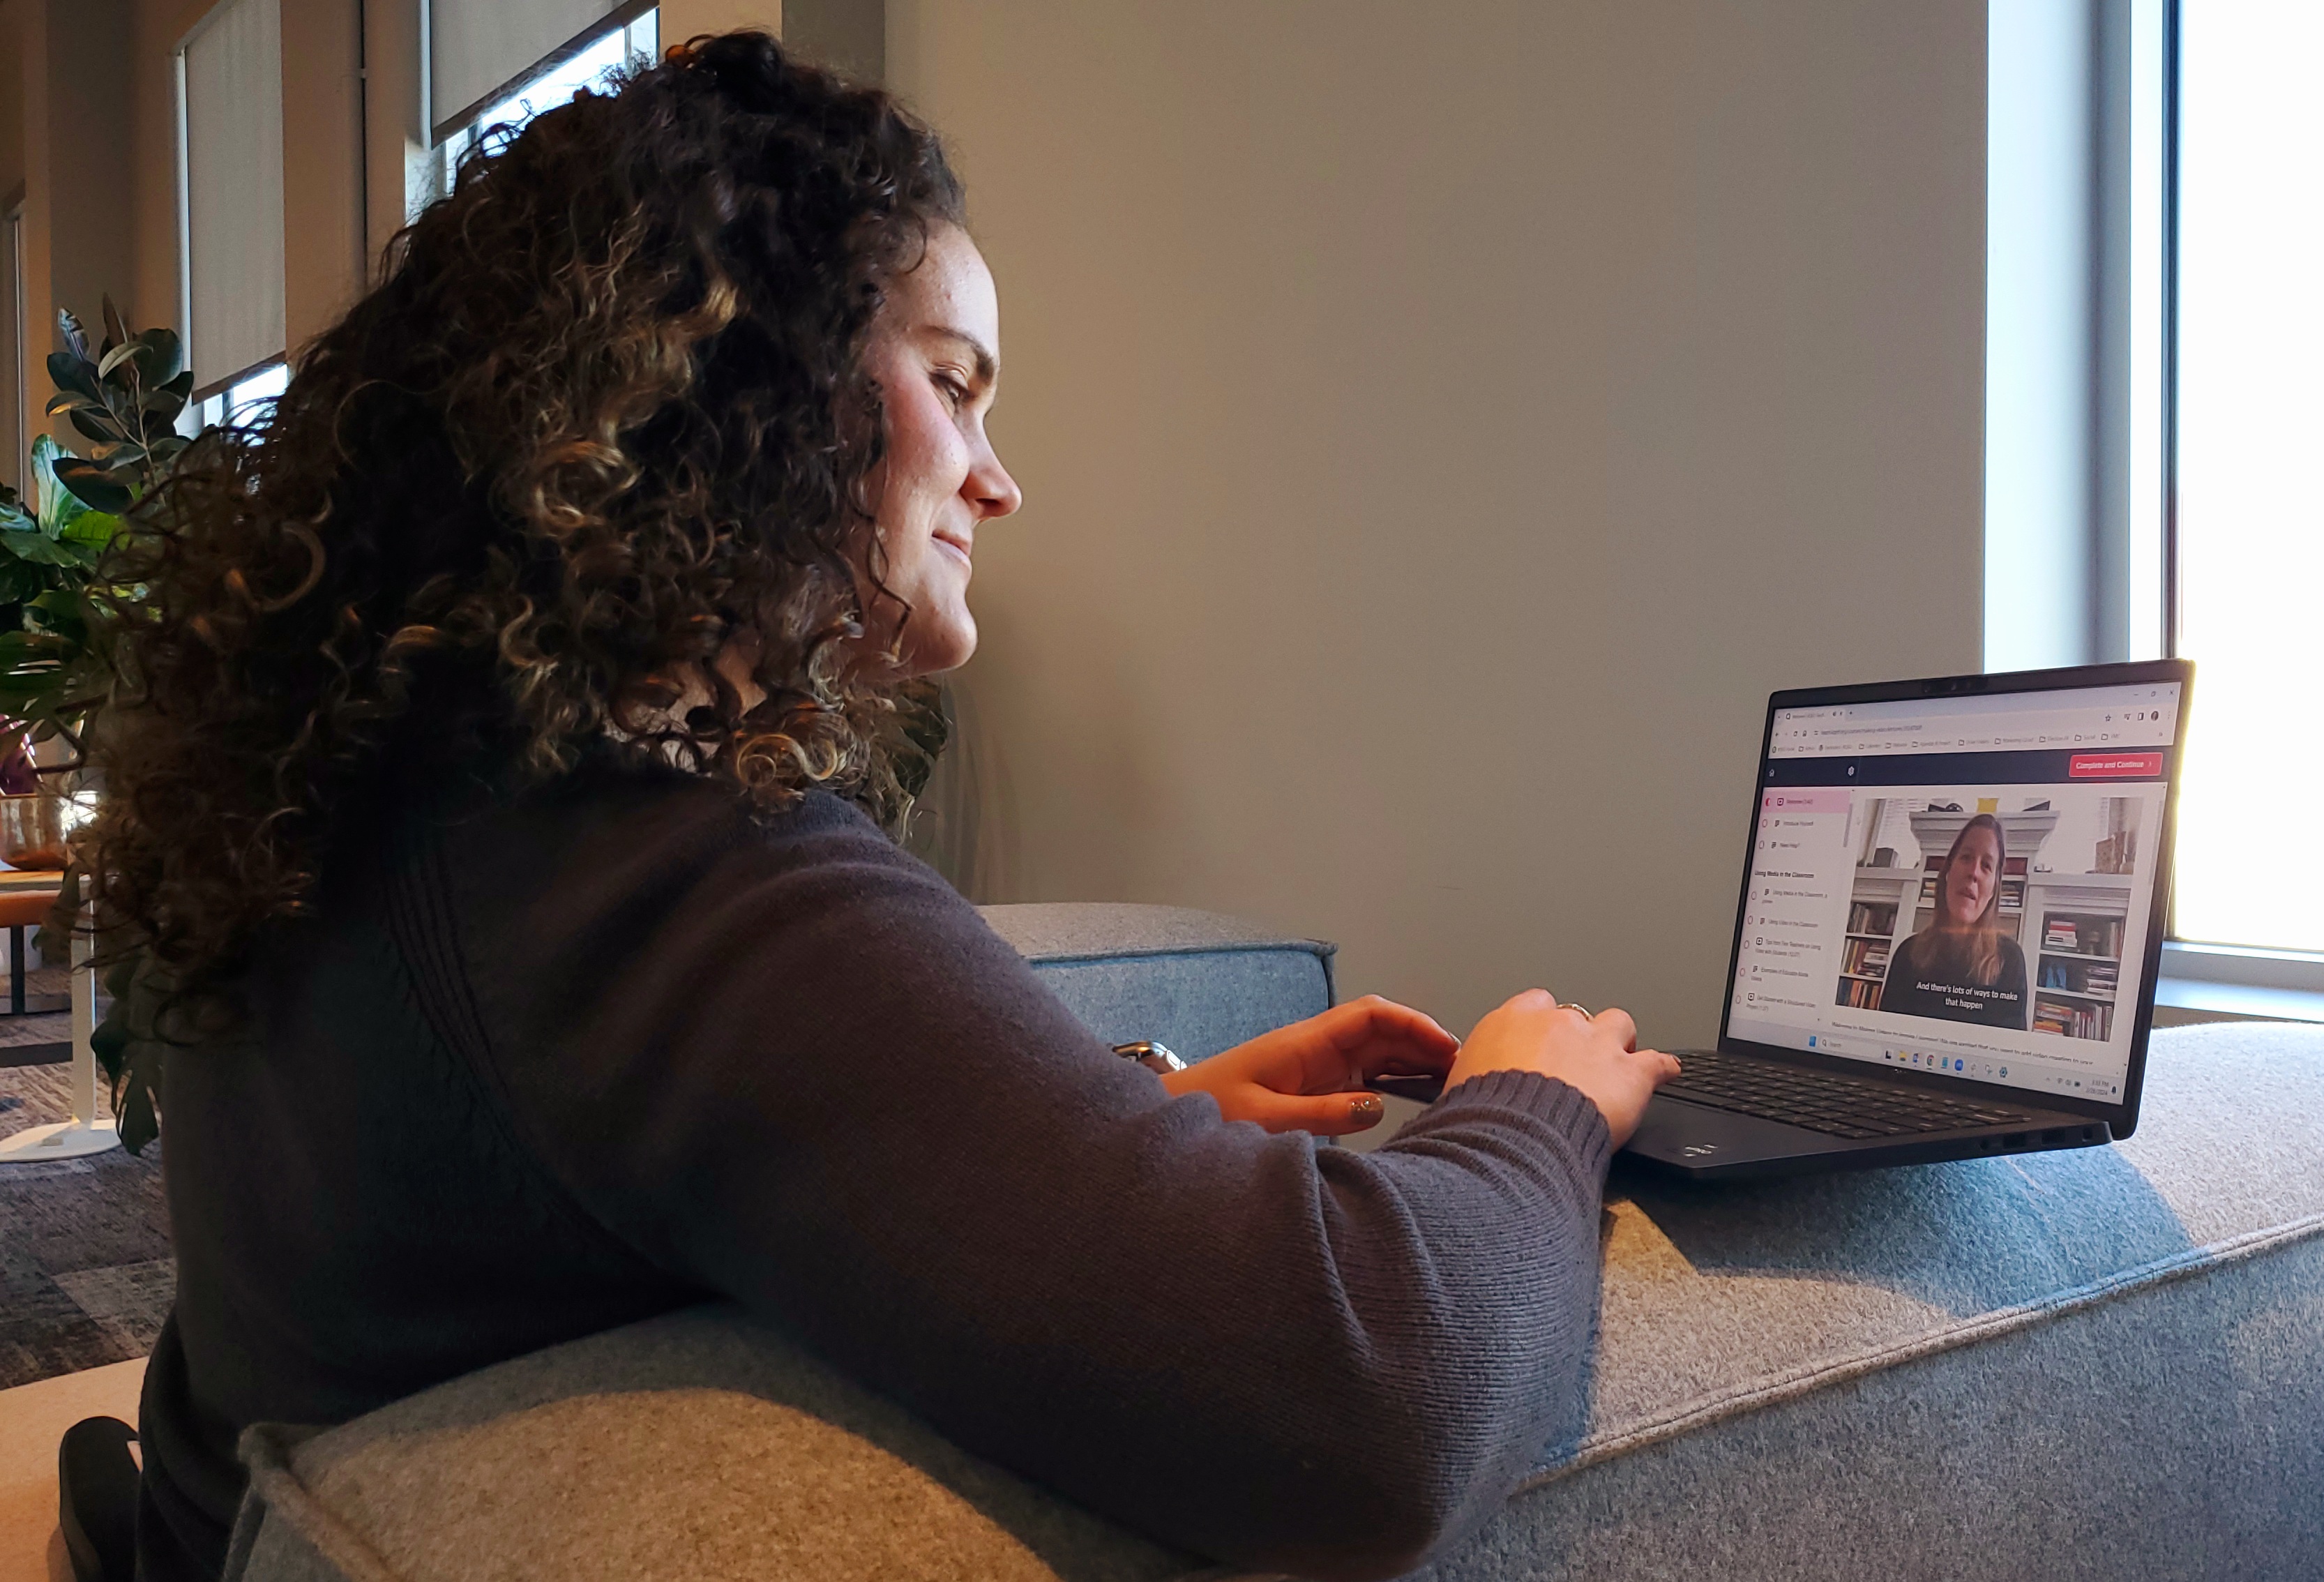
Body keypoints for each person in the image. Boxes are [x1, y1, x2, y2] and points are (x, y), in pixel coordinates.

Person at [82, 35, 1677, 1582]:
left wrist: (1120, 1123)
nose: (999, 478)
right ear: (743, 376)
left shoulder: (413, 769)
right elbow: (1380, 1402)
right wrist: (1535, 1105)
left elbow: (626, 1176)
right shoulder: (646, 860)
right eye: (953, 384)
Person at [1876, 813, 2030, 1029]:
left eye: (1986, 865)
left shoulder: (2010, 961)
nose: (1974, 872)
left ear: (1994, 888)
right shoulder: (1907, 954)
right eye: (1966, 857)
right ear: (1948, 871)